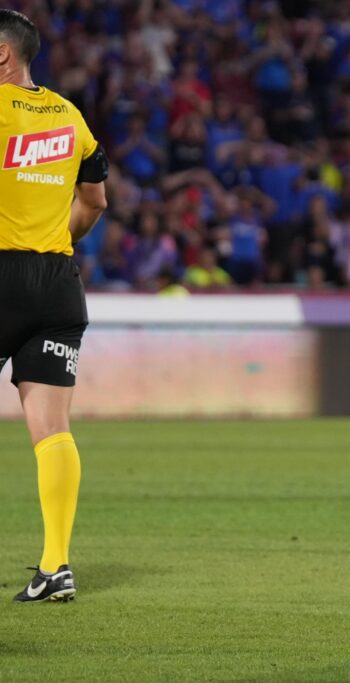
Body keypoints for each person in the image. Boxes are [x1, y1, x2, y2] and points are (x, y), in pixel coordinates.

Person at [0, 10, 108, 602]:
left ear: (2, 54)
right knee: (51, 430)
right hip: (57, 283)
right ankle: (55, 566)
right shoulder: (70, 116)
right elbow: (95, 201)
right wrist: (51, 240)